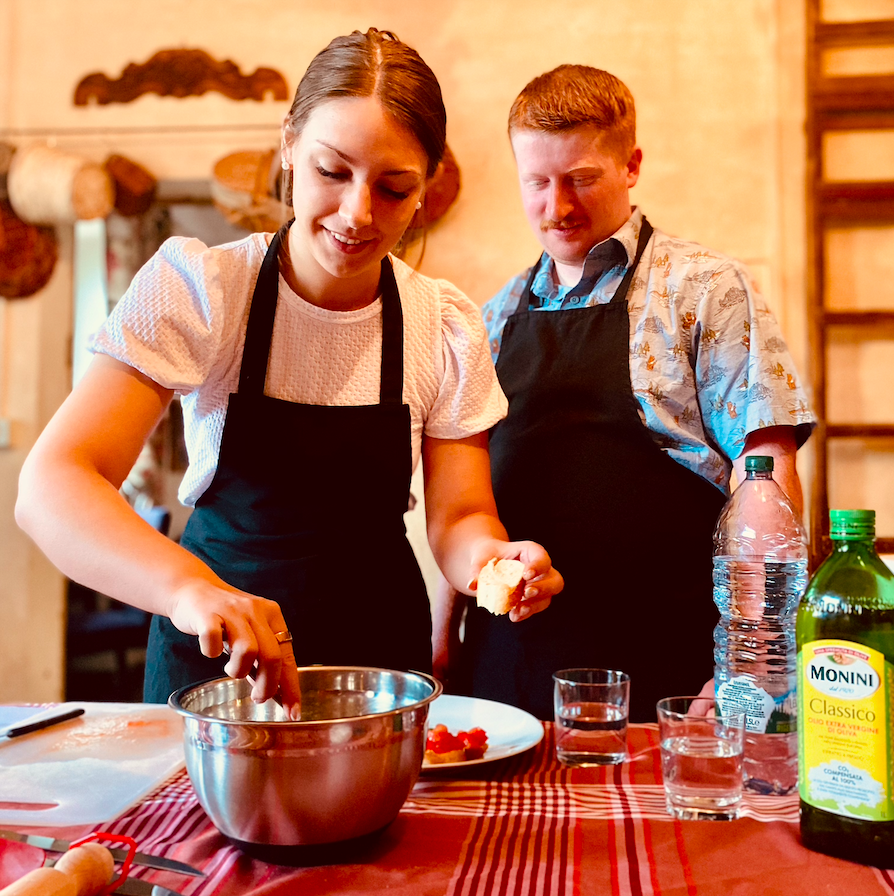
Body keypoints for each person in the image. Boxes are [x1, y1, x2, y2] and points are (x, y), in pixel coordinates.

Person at [15, 29, 563, 717]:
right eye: (332, 171)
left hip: (378, 671)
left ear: (425, 188)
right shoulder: (205, 290)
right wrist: (190, 590)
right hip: (217, 667)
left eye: (393, 188)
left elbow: (459, 516)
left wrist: (493, 562)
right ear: (289, 145)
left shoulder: (443, 322)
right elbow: (53, 485)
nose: (357, 213)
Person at [433, 64, 815, 722]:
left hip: (669, 676)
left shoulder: (706, 290)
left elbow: (765, 470)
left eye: (580, 179)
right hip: (505, 678)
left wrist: (749, 658)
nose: (558, 207)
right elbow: (466, 489)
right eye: (537, 182)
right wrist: (441, 636)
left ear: (631, 165)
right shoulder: (492, 317)